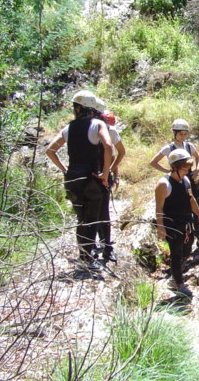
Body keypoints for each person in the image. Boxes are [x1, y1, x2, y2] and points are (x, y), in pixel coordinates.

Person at [46, 90, 112, 270]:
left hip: (72, 179)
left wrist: (65, 169)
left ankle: (83, 254)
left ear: (77, 108)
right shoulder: (97, 123)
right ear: (92, 109)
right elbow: (108, 146)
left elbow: (50, 151)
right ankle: (87, 259)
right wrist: (105, 173)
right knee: (91, 218)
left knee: (81, 218)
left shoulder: (68, 128)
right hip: (91, 179)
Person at [150, 118, 199, 249]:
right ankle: (182, 243)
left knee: (195, 206)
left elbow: (198, 156)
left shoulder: (189, 146)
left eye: (185, 134)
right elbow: (153, 162)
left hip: (189, 180)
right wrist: (168, 171)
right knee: (181, 210)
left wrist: (197, 168)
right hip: (175, 181)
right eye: (180, 134)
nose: (183, 136)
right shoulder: (169, 148)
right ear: (174, 133)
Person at [155, 149, 199, 297]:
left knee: (187, 250)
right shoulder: (163, 184)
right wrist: (160, 227)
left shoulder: (186, 180)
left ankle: (175, 276)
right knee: (176, 254)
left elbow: (191, 199)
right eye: (184, 168)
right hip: (172, 225)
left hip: (186, 222)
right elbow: (159, 207)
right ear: (175, 166)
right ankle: (179, 283)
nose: (187, 171)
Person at [95, 105, 126, 262]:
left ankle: (103, 243)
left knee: (102, 210)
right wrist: (113, 170)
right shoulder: (102, 131)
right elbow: (116, 153)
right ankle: (100, 243)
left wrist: (114, 171)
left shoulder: (109, 132)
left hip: (102, 173)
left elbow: (116, 153)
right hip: (98, 173)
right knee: (99, 210)